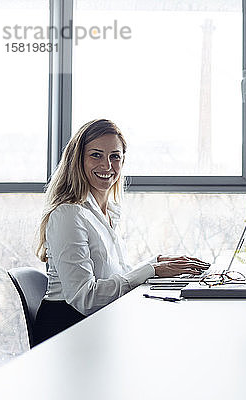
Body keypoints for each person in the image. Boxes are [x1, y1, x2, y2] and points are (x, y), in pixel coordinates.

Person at [34, 119, 209, 345]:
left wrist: (158, 263)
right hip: (67, 333)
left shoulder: (106, 212)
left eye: (115, 156)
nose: (107, 165)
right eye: (96, 155)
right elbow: (85, 298)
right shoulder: (69, 214)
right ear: (77, 160)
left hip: (96, 325)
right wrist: (151, 270)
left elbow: (116, 276)